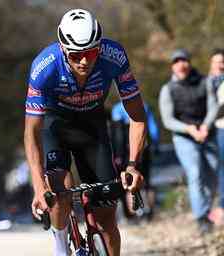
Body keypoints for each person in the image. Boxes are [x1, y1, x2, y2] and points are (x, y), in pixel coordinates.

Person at [24, 9, 146, 256]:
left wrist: (133, 165)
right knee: (60, 189)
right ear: (63, 49)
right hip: (54, 127)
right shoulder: (44, 67)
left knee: (106, 216)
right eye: (76, 55)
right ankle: (61, 247)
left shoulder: (114, 56)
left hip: (92, 128)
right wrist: (39, 185)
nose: (84, 61)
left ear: (99, 47)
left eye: (91, 52)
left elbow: (137, 116)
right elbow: (31, 132)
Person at [159, 48, 218, 234]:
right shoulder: (168, 90)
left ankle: (207, 210)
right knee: (195, 172)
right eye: (176, 62)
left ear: (189, 63)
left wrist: (206, 126)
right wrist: (189, 129)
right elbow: (168, 120)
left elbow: (213, 106)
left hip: (207, 132)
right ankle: (201, 217)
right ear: (172, 67)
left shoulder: (204, 82)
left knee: (212, 172)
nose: (181, 64)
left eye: (184, 60)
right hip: (184, 137)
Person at [111, 100, 160, 220]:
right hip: (144, 147)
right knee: (146, 181)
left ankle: (133, 214)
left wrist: (117, 154)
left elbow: (117, 134)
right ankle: (149, 213)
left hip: (124, 152)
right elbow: (153, 129)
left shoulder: (117, 109)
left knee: (129, 183)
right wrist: (155, 145)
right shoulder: (144, 106)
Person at [207, 49, 224, 225]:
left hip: (219, 129)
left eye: (222, 61)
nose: (220, 64)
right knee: (212, 170)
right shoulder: (206, 82)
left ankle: (220, 208)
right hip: (210, 131)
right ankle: (216, 208)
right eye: (216, 61)